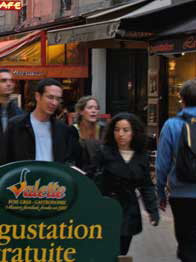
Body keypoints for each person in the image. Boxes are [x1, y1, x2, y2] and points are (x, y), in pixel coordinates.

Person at [97, 112, 159, 255]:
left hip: (128, 210)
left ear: (134, 132)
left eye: (125, 130)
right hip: (106, 208)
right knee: (105, 252)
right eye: (117, 129)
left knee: (122, 252)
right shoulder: (104, 152)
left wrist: (152, 211)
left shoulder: (140, 156)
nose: (120, 134)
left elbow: (146, 186)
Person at [157, 78, 196, 262]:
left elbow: (162, 164)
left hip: (181, 194)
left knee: (186, 242)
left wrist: (160, 194)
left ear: (182, 99)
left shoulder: (171, 125)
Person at [5, 78, 78, 164]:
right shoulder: (16, 125)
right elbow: (6, 159)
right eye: (50, 97)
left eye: (58, 99)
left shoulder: (63, 129)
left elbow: (68, 159)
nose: (54, 103)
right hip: (25, 176)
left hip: (53, 176)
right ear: (38, 96)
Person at [69, 96, 105, 176]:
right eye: (90, 108)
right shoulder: (73, 130)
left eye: (96, 108)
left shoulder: (103, 130)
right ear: (81, 111)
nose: (94, 111)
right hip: (79, 174)